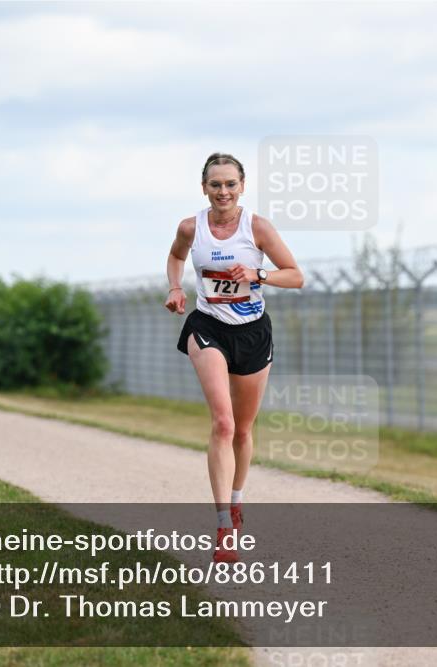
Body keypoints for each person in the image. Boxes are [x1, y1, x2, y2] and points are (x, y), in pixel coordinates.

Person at [165, 152, 303, 562]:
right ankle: (224, 526)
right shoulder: (191, 227)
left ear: (242, 186)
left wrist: (259, 275)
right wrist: (175, 288)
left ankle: (237, 500)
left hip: (253, 333)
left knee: (243, 430)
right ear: (203, 188)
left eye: (230, 184)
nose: (222, 192)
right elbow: (176, 257)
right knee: (223, 423)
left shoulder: (257, 227)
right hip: (208, 327)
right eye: (215, 184)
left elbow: (295, 275)